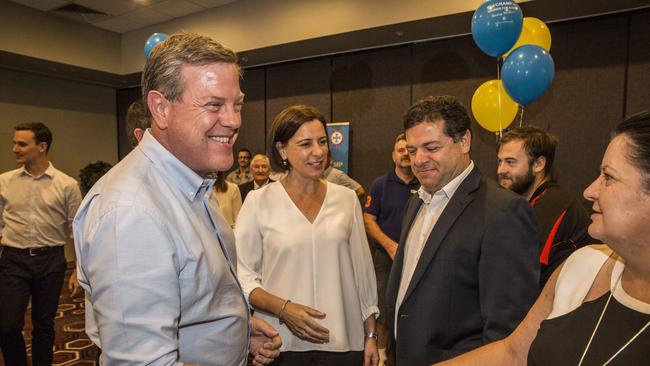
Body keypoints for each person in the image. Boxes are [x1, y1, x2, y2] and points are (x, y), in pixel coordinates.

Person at [72, 32, 281, 365]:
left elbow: (195, 298)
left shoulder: (192, 181)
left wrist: (235, 333)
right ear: (160, 108)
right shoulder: (131, 213)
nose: (233, 120)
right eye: (214, 105)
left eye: (237, 104)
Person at [439, 111, 650, 366]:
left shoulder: (552, 207)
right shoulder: (583, 265)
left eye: (609, 177)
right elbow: (513, 352)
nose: (589, 191)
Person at [386, 96, 539, 365]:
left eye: (431, 147)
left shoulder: (503, 211)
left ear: (464, 141)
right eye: (412, 151)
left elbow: (507, 330)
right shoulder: (416, 201)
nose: (419, 160)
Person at [235, 105, 380, 366]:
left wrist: (371, 334)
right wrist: (284, 309)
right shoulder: (258, 202)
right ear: (282, 150)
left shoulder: (346, 199)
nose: (318, 152)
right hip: (280, 346)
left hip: (343, 343)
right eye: (305, 144)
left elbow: (363, 273)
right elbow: (242, 277)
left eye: (322, 141)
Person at [0, 122, 83, 366]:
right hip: (13, 261)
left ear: (42, 147)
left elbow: (76, 229)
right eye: (14, 143)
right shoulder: (4, 182)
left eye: (22, 144)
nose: (15, 148)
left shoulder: (66, 185)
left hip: (50, 262)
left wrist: (78, 269)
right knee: (7, 326)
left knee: (44, 324)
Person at [497, 125, 596, 286]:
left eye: (510, 162)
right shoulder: (532, 203)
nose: (501, 170)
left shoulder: (553, 204)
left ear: (538, 164)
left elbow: (520, 274)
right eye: (500, 161)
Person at [363, 132, 419, 364]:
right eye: (401, 150)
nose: (405, 153)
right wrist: (389, 245)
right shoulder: (380, 185)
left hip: (418, 258)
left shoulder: (426, 183)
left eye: (409, 149)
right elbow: (368, 219)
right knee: (383, 308)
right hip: (386, 258)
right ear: (393, 156)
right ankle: (380, 353)